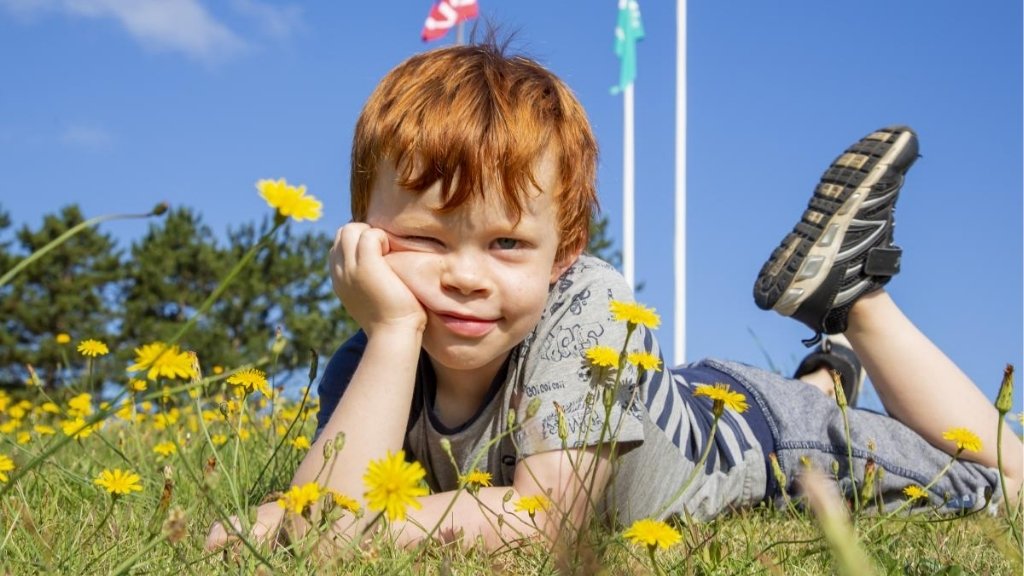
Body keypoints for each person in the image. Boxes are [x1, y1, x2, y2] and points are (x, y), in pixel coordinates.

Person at [206, 40, 1022, 553]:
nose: (463, 274)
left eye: (507, 244)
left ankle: (854, 303)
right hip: (680, 398)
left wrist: (322, 522)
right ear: (364, 234)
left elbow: (543, 525)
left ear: (563, 255)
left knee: (1000, 486)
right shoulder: (381, 343)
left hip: (764, 439)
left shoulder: (589, 301)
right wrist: (387, 339)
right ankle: (828, 369)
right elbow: (316, 514)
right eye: (423, 239)